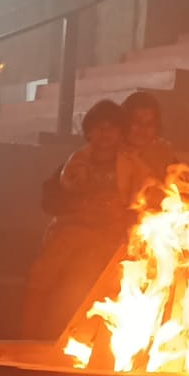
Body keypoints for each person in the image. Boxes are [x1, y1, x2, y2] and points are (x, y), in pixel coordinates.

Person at [22, 100, 150, 337]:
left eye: (112, 128)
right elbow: (50, 201)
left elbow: (145, 202)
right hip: (70, 232)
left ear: (121, 134)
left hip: (111, 236)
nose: (105, 134)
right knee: (40, 278)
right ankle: (27, 337)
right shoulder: (73, 165)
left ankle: (71, 339)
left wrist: (119, 213)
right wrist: (82, 205)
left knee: (81, 279)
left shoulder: (133, 168)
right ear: (89, 132)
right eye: (99, 128)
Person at [121, 90, 179, 190]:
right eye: (137, 121)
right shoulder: (110, 153)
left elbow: (181, 185)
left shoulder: (164, 155)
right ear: (124, 122)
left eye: (149, 124)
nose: (142, 128)